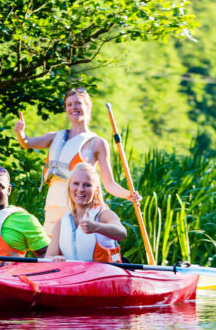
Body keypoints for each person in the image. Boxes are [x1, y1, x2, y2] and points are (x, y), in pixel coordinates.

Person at [14, 87, 140, 236]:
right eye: (69, 104)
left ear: (87, 106)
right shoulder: (55, 137)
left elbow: (109, 184)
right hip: (54, 202)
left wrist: (129, 194)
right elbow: (27, 143)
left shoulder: (97, 142)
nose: (73, 107)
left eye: (78, 103)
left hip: (78, 203)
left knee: (73, 248)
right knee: (50, 251)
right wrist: (21, 133)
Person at [45, 162, 127, 262]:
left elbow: (122, 233)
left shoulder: (104, 215)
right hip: (73, 275)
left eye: (87, 185)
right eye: (76, 183)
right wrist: (54, 259)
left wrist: (97, 227)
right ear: (69, 187)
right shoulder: (61, 223)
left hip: (105, 275)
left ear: (96, 190)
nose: (80, 189)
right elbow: (48, 257)